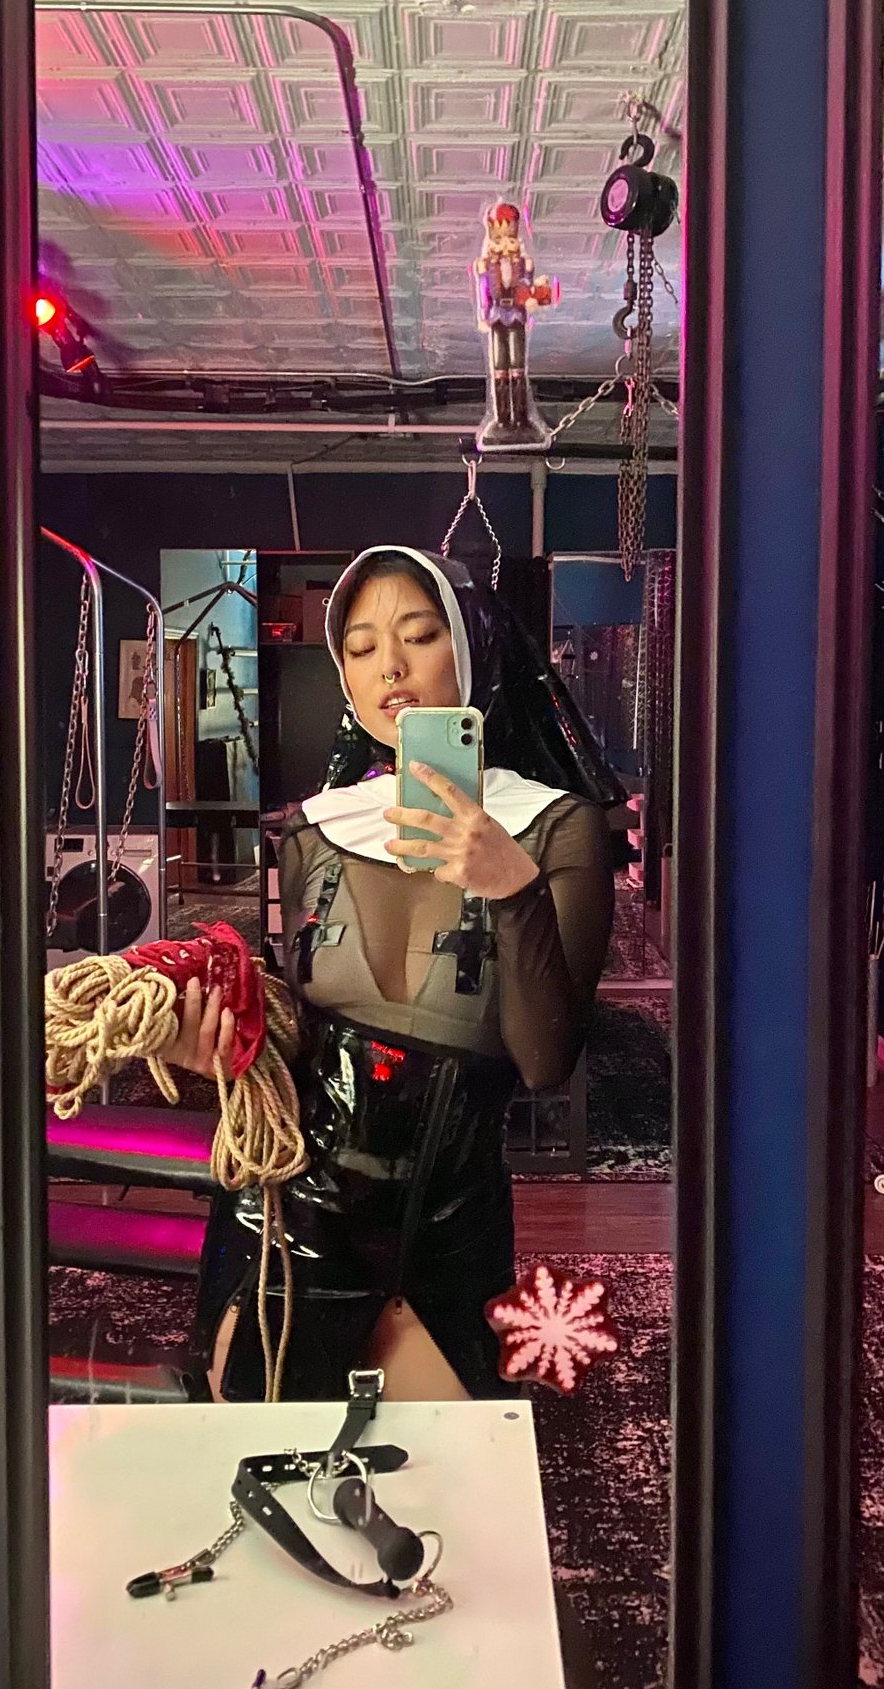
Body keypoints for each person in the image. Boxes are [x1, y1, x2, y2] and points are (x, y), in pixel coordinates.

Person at [173, 545, 622, 1402]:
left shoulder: (554, 826)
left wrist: (514, 891)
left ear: (472, 648)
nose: (390, 666)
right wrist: (226, 1053)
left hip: (446, 1227)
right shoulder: (313, 830)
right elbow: (299, 1039)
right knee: (256, 1451)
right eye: (362, 646)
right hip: (283, 1215)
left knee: (447, 1471)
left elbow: (544, 1063)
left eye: (419, 636)